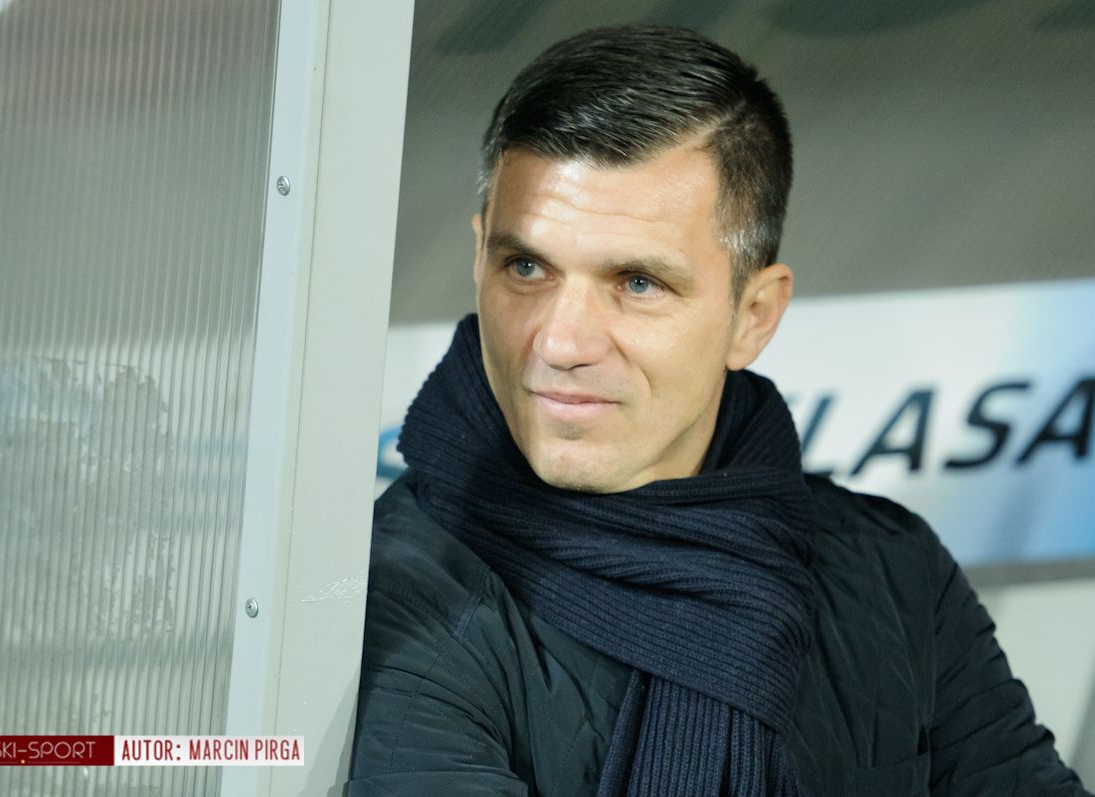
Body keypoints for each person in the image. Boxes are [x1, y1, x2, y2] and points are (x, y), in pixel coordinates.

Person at [347, 25, 1090, 797]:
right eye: (526, 266)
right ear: (479, 259)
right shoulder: (391, 601)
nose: (562, 341)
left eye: (637, 283)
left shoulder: (894, 570)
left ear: (754, 316)